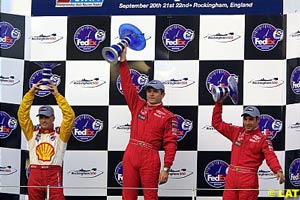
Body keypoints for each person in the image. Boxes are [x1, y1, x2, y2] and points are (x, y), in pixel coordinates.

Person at [118, 46, 178, 200]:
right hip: (131, 153)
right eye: (149, 90)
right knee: (127, 197)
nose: (151, 93)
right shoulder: (138, 105)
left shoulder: (168, 116)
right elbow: (127, 86)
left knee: (150, 197)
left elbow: (171, 144)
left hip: (150, 157)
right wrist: (123, 61)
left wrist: (166, 168)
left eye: (155, 91)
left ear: (162, 94)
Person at [211, 94, 285, 200]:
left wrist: (278, 170)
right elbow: (216, 123)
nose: (247, 123)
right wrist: (219, 103)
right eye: (245, 119)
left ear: (258, 120)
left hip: (248, 180)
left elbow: (270, 156)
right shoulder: (236, 131)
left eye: (250, 119)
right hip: (231, 178)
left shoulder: (263, 139)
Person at [18, 81, 75, 200]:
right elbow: (22, 115)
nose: (43, 121)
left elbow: (69, 117)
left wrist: (57, 96)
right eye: (41, 117)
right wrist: (30, 94)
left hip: (53, 175)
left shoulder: (61, 134)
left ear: (53, 118)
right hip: (35, 174)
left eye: (47, 117)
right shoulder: (32, 132)